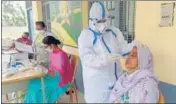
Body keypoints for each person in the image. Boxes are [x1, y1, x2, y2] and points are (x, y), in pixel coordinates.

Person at [78, 2, 137, 103]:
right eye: (100, 21)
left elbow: (122, 49)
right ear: (92, 20)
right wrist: (104, 59)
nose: (103, 23)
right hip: (97, 87)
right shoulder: (86, 35)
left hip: (116, 82)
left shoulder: (114, 32)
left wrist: (133, 46)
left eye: (105, 20)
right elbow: (86, 58)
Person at [24, 36, 74, 103]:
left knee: (38, 89)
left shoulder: (61, 54)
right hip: (52, 76)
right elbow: (51, 63)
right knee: (33, 82)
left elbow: (59, 73)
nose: (45, 49)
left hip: (61, 79)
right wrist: (42, 63)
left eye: (46, 47)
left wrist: (46, 71)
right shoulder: (53, 52)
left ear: (52, 45)